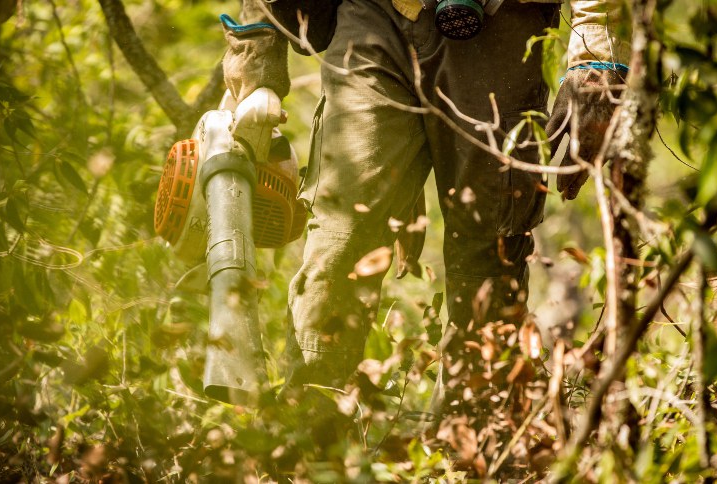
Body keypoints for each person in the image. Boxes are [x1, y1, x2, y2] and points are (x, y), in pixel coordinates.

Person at [220, 0, 628, 452]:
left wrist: (596, 52)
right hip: (371, 17)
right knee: (339, 244)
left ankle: (469, 449)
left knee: (486, 260)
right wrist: (257, 53)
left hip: (498, 27)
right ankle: (309, 445)